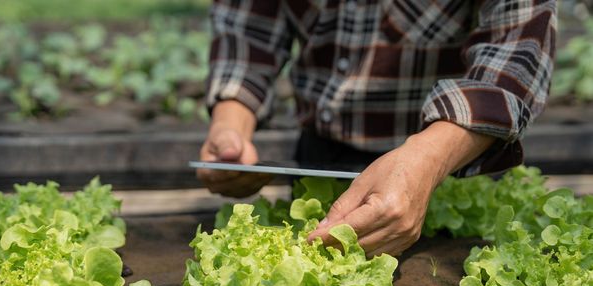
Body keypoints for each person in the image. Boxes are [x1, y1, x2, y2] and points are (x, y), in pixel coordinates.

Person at [196, 0, 556, 257]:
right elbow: (248, 26)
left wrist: (428, 157)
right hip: (321, 165)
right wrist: (231, 126)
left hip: (454, 162)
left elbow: (518, 47)